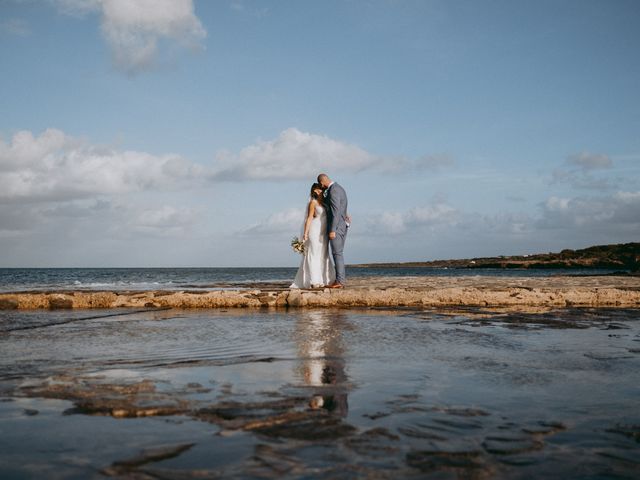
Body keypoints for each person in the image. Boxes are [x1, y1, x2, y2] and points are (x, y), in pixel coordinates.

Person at [290, 183, 336, 289]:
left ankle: (324, 279)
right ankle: (314, 280)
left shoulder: (325, 203)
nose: (320, 190)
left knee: (323, 254)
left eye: (321, 189)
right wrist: (305, 233)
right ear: (314, 191)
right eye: (318, 189)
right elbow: (309, 218)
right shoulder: (313, 203)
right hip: (314, 231)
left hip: (323, 232)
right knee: (314, 254)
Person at [317, 173, 349, 288]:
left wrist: (332, 229)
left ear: (322, 182)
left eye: (321, 186)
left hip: (337, 226)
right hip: (342, 224)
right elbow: (339, 207)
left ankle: (340, 281)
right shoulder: (339, 188)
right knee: (338, 253)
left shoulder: (334, 190)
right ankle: (340, 280)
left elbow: (335, 212)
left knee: (337, 254)